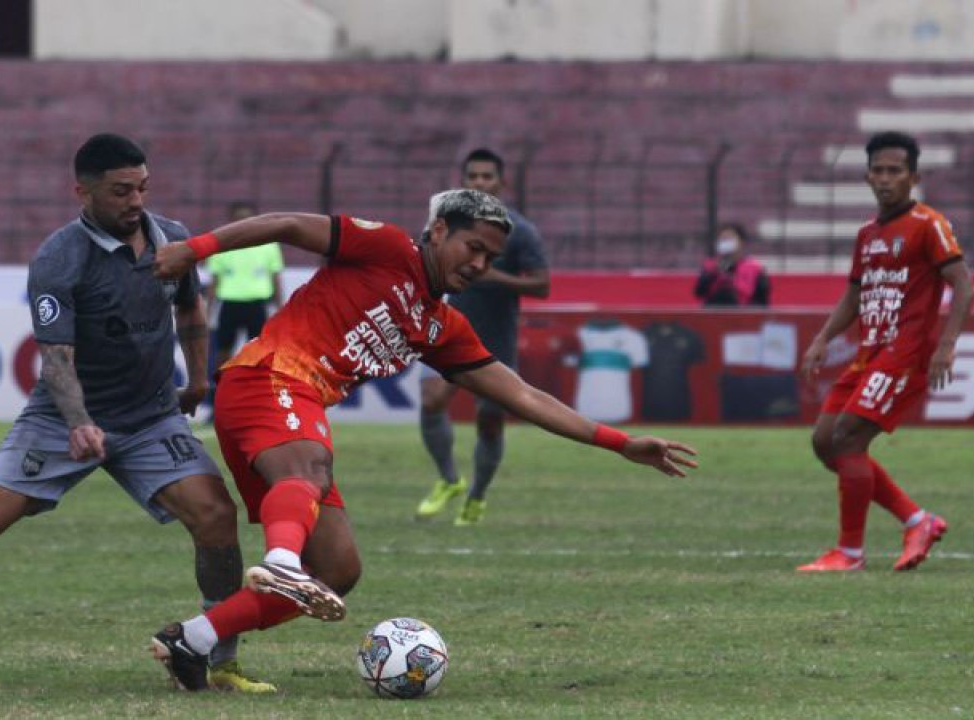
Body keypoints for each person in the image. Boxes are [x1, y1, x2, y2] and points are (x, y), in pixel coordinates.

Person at [145, 188, 699, 690]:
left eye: (490, 259)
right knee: (308, 471)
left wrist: (620, 443)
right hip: (266, 377)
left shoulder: (440, 326)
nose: (479, 265)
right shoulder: (385, 247)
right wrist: (196, 248)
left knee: (338, 571)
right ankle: (283, 561)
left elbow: (524, 396)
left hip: (294, 403)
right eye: (473, 248)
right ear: (438, 232)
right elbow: (289, 224)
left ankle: (190, 640)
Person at [0, 133, 272, 693]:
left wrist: (199, 377)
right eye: (120, 191)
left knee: (215, 517)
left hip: (152, 417)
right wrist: (80, 420)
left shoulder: (173, 239)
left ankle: (221, 658)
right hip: (61, 421)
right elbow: (58, 358)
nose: (135, 201)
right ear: (81, 191)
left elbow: (191, 308)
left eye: (142, 188)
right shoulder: (60, 258)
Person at [797, 130, 974, 573]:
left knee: (849, 439)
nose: (885, 179)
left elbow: (964, 286)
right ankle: (918, 520)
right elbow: (855, 293)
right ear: (866, 176)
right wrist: (823, 338)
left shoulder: (928, 224)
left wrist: (946, 346)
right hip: (868, 353)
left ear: (912, 177)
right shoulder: (867, 234)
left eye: (895, 171)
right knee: (824, 443)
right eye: (878, 170)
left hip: (905, 353)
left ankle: (850, 553)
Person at [413, 147, 550, 526]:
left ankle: (477, 496)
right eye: (473, 177)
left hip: (494, 338)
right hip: (445, 329)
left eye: (487, 177)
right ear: (464, 181)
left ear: (501, 183)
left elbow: (542, 285)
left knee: (489, 420)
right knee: (431, 400)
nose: (480, 183)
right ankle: (449, 480)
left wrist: (496, 279)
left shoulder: (519, 231)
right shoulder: (444, 225)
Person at [206, 200, 284, 370]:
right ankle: (221, 386)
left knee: (259, 351)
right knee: (223, 351)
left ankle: (254, 388)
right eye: (238, 218)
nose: (242, 222)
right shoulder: (221, 243)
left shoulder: (268, 244)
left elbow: (275, 277)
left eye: (246, 218)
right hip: (230, 303)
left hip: (256, 304)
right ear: (231, 220)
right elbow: (214, 281)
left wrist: (280, 309)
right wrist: (207, 310)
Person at [693, 222, 770, 307]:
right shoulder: (710, 266)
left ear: (742, 242)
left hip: (743, 315)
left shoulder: (755, 269)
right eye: (722, 239)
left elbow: (762, 302)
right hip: (713, 314)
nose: (725, 242)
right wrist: (713, 272)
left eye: (729, 238)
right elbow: (699, 292)